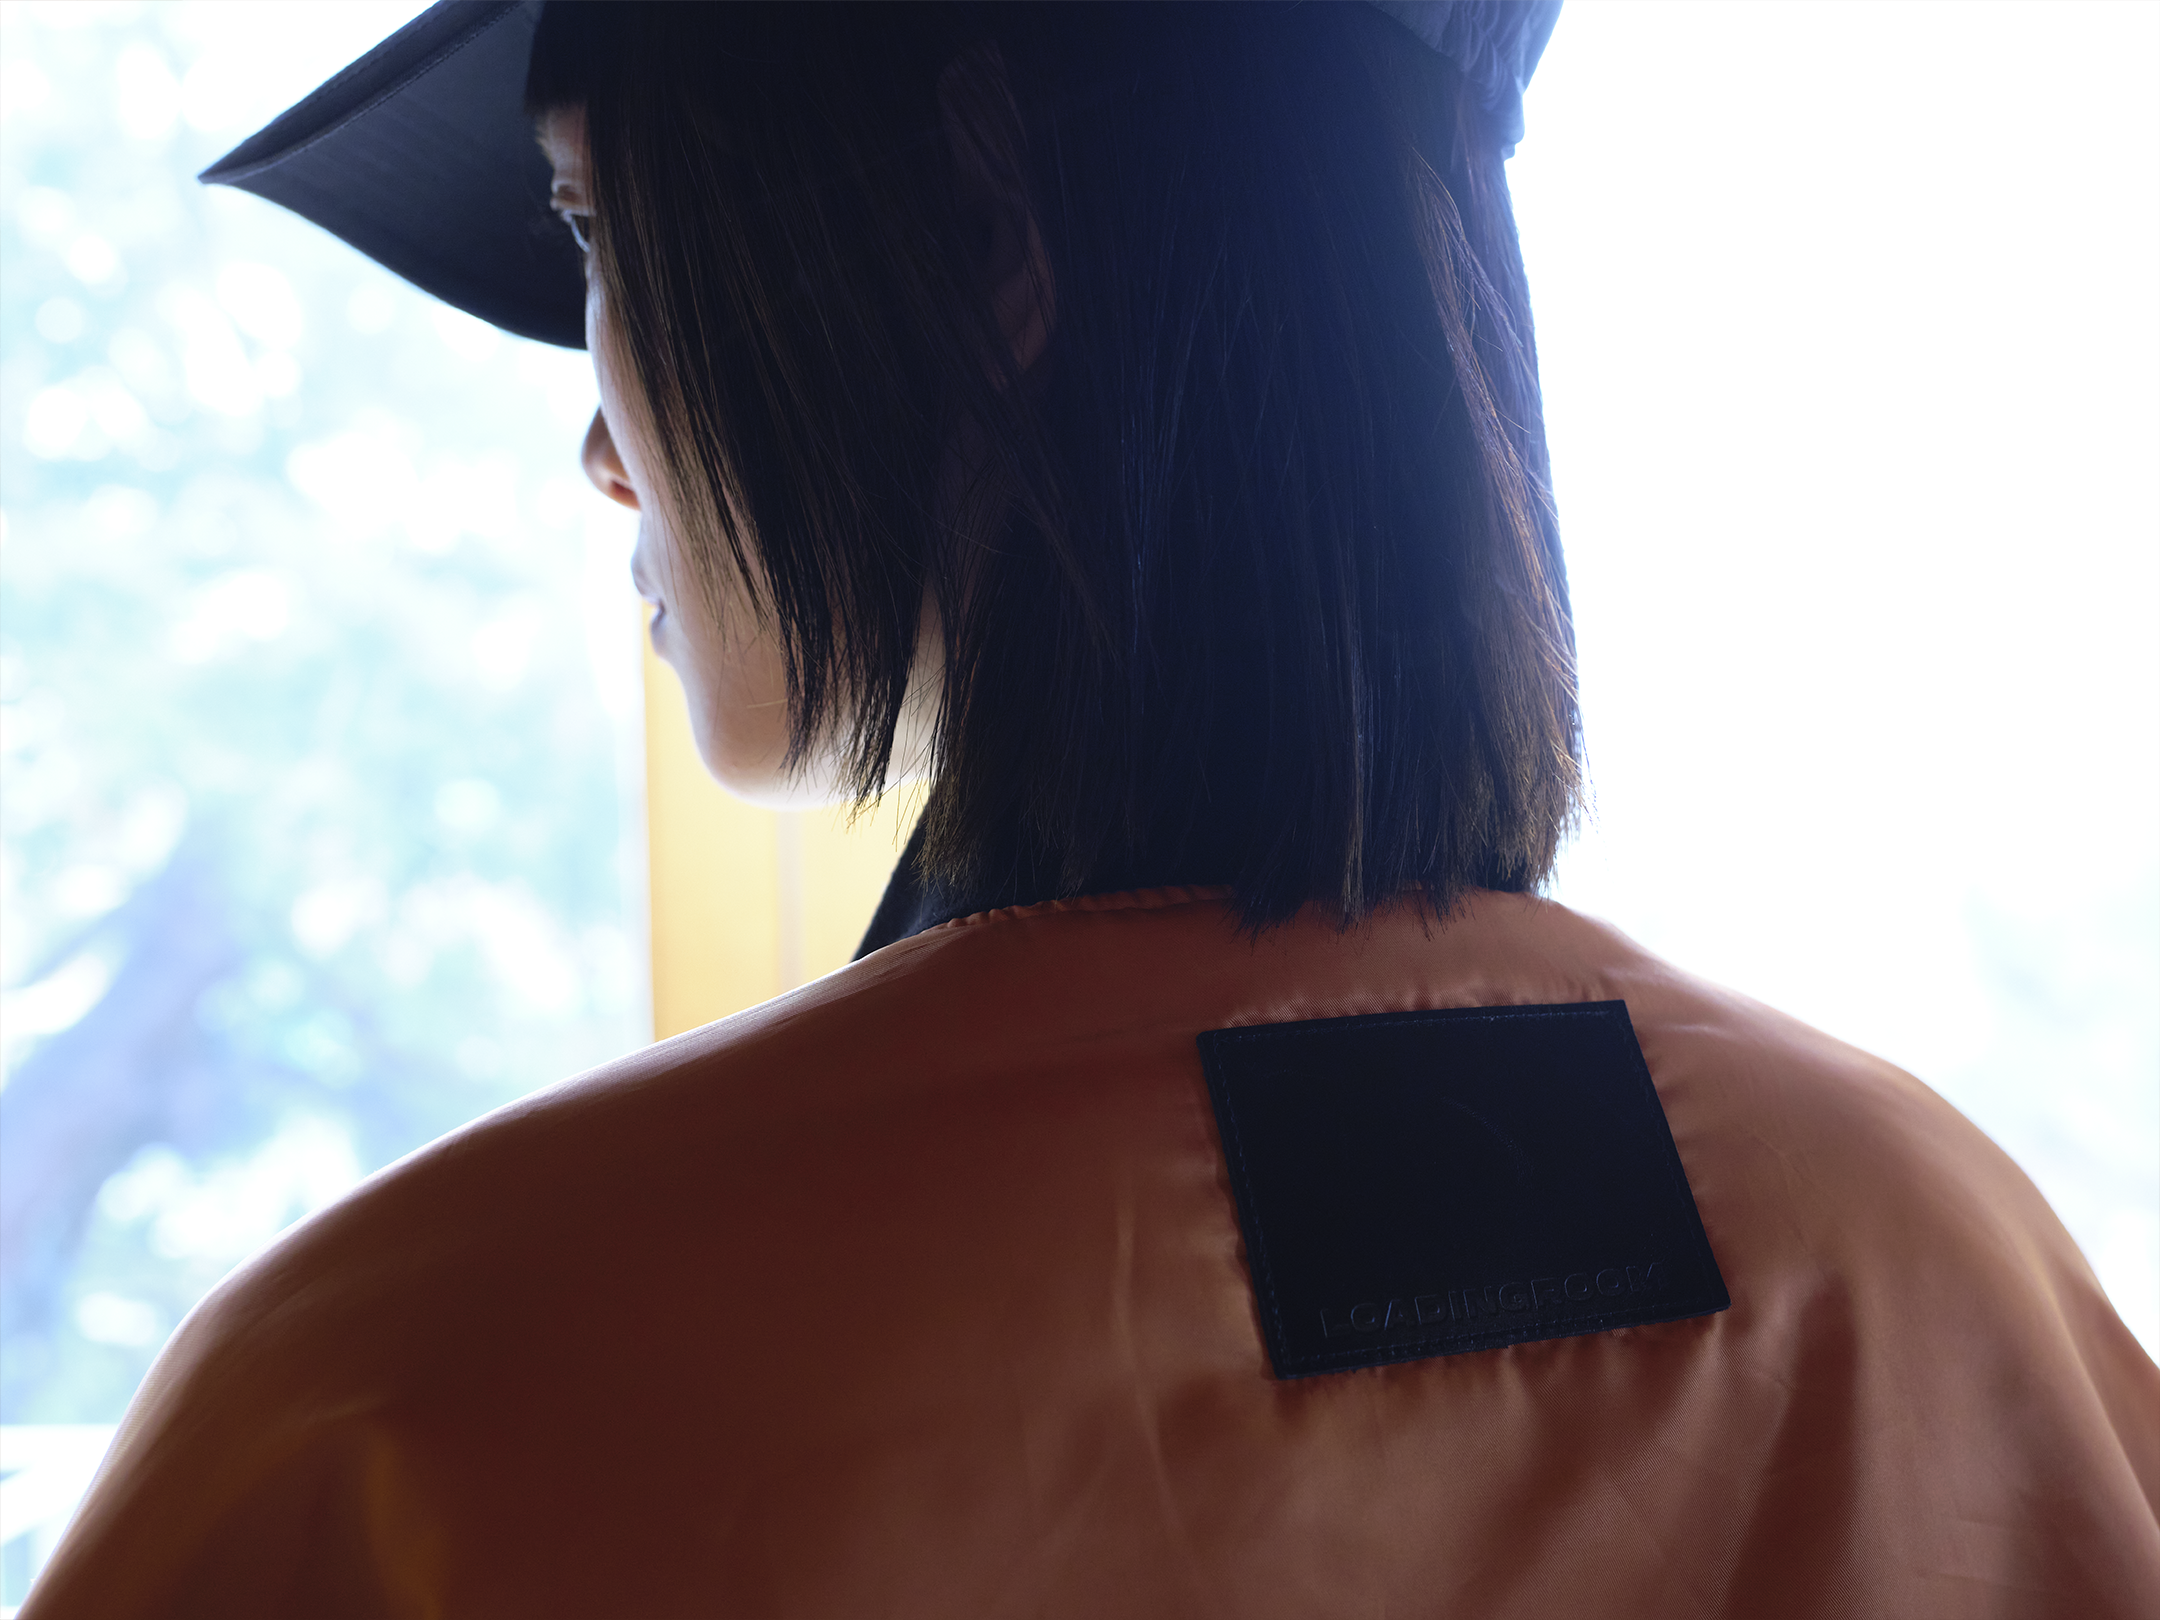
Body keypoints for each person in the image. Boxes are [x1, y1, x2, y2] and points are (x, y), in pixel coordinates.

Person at [24, 3, 2159, 1615]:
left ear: (986, 237)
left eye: (595, 227)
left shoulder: (427, 1410)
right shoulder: (1935, 1276)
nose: (598, 442)